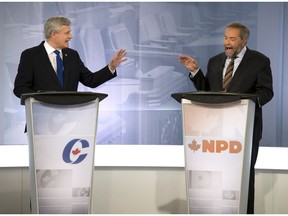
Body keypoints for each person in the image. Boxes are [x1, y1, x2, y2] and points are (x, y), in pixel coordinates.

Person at [178, 22, 273, 214]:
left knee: (242, 177)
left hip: (243, 131)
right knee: (215, 176)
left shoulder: (259, 61)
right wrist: (195, 72)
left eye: (232, 38)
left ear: (244, 40)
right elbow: (208, 91)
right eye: (225, 38)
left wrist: (245, 104)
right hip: (215, 132)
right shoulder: (214, 61)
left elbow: (266, 92)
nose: (226, 43)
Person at [13, 16, 128, 98]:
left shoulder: (72, 55)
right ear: (54, 34)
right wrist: (40, 98)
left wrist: (111, 67)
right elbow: (20, 88)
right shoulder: (30, 55)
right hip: (42, 117)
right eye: (67, 33)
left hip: (71, 119)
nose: (71, 36)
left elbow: (91, 80)